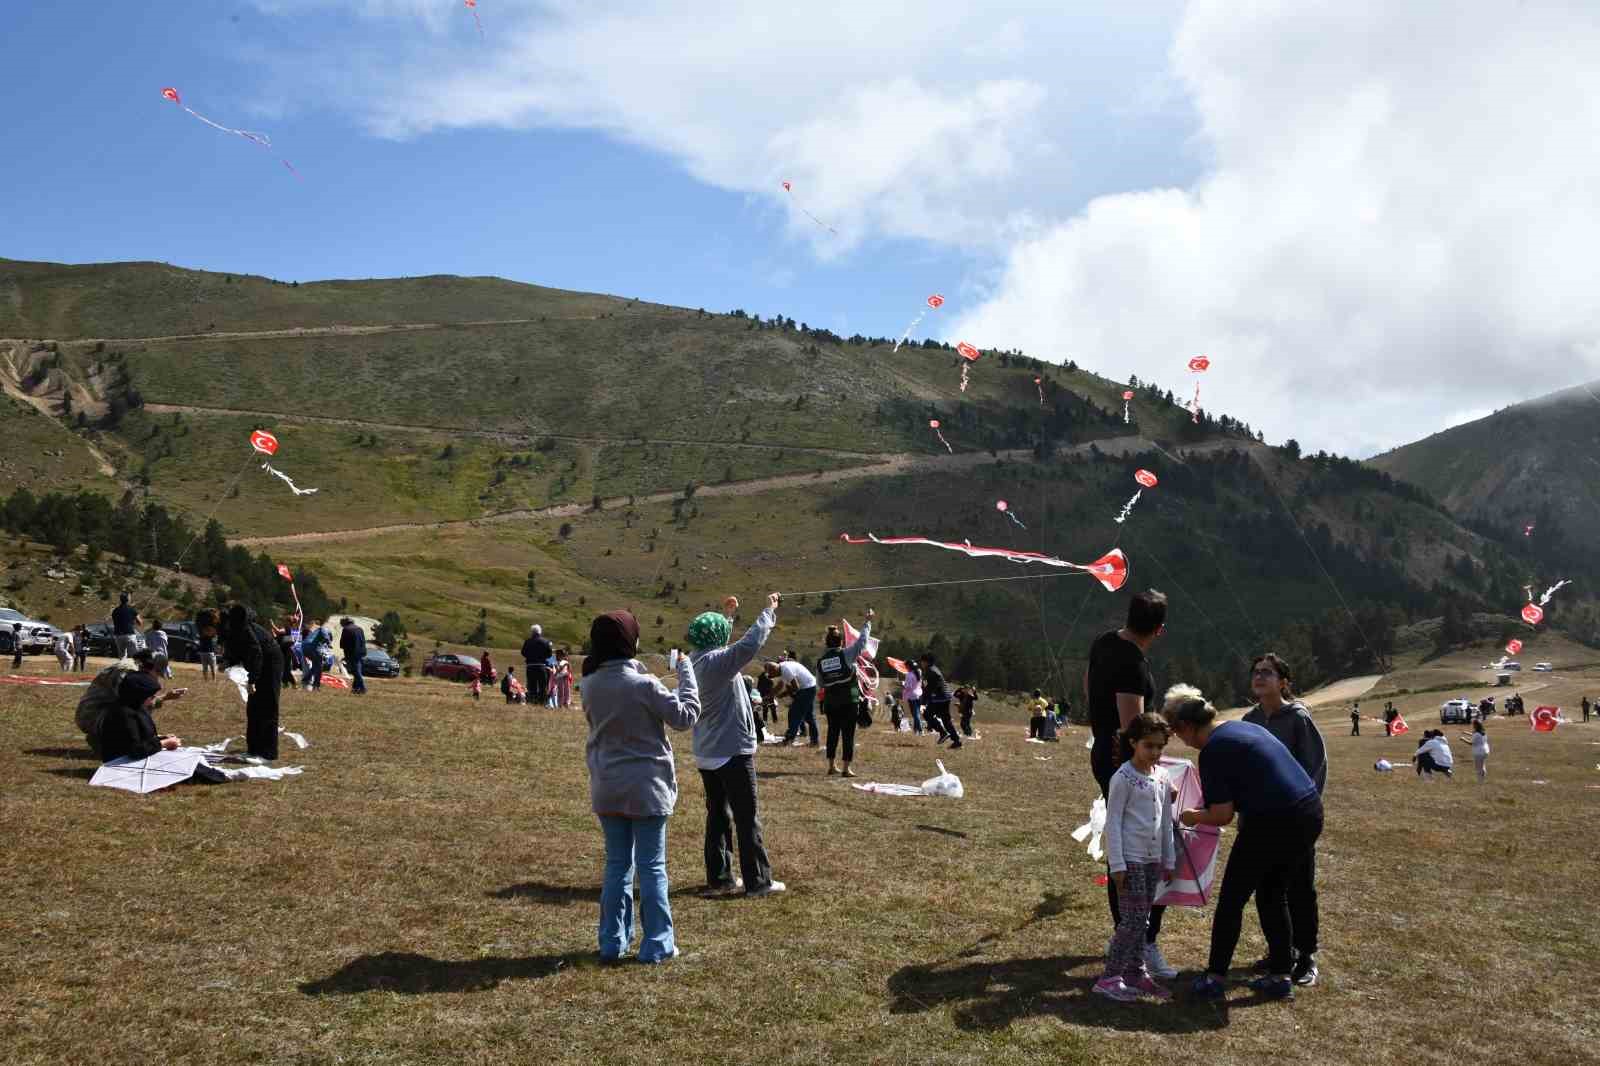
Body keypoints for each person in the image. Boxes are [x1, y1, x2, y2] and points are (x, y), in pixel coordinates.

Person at [1167, 690, 1323, 1002]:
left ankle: (1214, 978)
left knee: (1232, 900)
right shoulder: (1243, 728)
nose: (1181, 741)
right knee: (1272, 893)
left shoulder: (1213, 749)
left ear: (1186, 726)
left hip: (1273, 821)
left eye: (1177, 733)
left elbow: (1222, 815)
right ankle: (1280, 975)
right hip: (1308, 811)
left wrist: (1192, 816)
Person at [580, 609, 700, 963]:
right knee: (652, 867)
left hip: (607, 785)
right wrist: (686, 671)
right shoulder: (644, 684)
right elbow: (684, 717)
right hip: (646, 787)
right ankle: (658, 944)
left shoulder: (589, 684)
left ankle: (612, 942)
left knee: (617, 865)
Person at [1084, 589, 1172, 979]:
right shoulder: (1133, 665)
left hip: (1102, 749)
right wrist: (1145, 773)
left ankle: (1128, 933)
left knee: (1123, 841)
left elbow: (1089, 687)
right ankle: (1134, 938)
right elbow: (1131, 727)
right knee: (1132, 847)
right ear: (1159, 630)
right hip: (1123, 761)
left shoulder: (1103, 642)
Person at [687, 593, 786, 897]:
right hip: (730, 751)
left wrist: (727, 616)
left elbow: (721, 645)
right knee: (746, 816)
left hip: (706, 752)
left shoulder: (695, 660)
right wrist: (769, 610)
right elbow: (749, 644)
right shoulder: (718, 662)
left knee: (718, 815)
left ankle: (720, 878)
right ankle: (758, 881)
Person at [1241, 653, 1327, 987]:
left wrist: (1303, 812)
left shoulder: (1298, 719)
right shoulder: (1249, 720)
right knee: (1268, 890)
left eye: (1268, 672)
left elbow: (1314, 768)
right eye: (1256, 672)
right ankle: (1280, 952)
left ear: (1284, 682)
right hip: (1260, 820)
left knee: (1300, 888)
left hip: (1294, 819)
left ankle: (1305, 955)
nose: (1260, 677)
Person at [1094, 713, 1178, 1002]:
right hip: (1129, 861)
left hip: (1153, 861)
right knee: (1132, 921)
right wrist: (1117, 864)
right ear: (1133, 743)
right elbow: (1113, 822)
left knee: (1143, 919)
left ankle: (1135, 972)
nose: (1154, 752)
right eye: (1148, 746)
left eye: (1159, 747)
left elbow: (1166, 820)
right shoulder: (1123, 778)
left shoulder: (1163, 777)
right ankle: (1109, 977)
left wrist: (1168, 860)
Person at [200, 605, 283, 762]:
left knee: (268, 706)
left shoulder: (238, 625)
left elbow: (255, 652)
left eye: (205, 631)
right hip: (257, 663)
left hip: (270, 661)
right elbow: (238, 650)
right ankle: (253, 749)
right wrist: (228, 661)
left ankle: (268, 753)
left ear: (210, 625)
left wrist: (253, 680)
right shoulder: (227, 629)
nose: (205, 635)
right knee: (253, 707)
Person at [814, 609, 876, 776]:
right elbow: (862, 642)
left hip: (831, 702)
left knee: (832, 732)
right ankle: (846, 768)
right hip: (849, 700)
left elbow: (820, 683)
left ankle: (831, 766)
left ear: (826, 643)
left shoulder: (821, 661)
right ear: (841, 642)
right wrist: (867, 622)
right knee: (848, 734)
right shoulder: (847, 654)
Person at [96, 650, 189, 761]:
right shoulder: (125, 712)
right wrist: (163, 743)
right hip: (120, 761)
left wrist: (160, 739)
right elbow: (135, 750)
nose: (153, 698)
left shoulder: (136, 706)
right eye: (150, 696)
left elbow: (141, 734)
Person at [772, 654, 819, 746]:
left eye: (771, 674)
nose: (772, 676)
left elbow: (795, 687)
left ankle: (789, 739)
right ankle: (815, 741)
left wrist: (784, 695)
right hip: (810, 686)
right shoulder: (782, 668)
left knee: (794, 713)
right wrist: (776, 695)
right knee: (809, 716)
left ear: (775, 670)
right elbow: (781, 686)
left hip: (806, 688)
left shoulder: (785, 670)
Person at [919, 653, 960, 749]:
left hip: (939, 697)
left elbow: (930, 688)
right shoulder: (933, 669)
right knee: (946, 720)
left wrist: (923, 702)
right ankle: (957, 741)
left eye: (922, 661)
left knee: (927, 714)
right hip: (945, 696)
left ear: (926, 662)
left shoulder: (930, 671)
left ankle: (943, 733)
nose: (921, 663)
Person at [521, 624, 555, 705]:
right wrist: (542, 657)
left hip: (530, 666)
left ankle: (532, 701)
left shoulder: (527, 641)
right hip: (541, 666)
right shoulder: (545, 642)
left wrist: (529, 657)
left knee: (532, 685)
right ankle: (542, 702)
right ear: (540, 632)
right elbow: (550, 654)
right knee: (542, 686)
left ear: (532, 632)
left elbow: (523, 652)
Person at [339, 618, 367, 695]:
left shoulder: (346, 629)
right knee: (357, 669)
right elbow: (363, 641)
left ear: (346, 623)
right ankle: (355, 688)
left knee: (355, 671)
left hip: (351, 653)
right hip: (361, 652)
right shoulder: (360, 629)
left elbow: (342, 643)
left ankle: (363, 688)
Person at [110, 592, 141, 660]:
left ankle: (122, 669)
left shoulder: (115, 610)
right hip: (129, 634)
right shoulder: (132, 609)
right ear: (128, 599)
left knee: (122, 656)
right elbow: (140, 622)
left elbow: (115, 621)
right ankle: (137, 669)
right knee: (135, 655)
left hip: (118, 635)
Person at [300, 619, 327, 690]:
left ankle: (306, 679)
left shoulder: (312, 629)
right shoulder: (322, 628)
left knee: (316, 665)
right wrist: (327, 643)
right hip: (313, 647)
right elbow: (326, 638)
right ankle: (316, 685)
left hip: (304, 647)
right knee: (320, 667)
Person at [902, 661, 924, 735]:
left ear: (909, 666)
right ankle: (916, 729)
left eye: (906, 666)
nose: (905, 667)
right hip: (919, 694)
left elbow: (908, 687)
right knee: (916, 713)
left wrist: (903, 684)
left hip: (912, 696)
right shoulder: (919, 672)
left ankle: (920, 730)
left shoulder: (909, 674)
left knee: (915, 713)